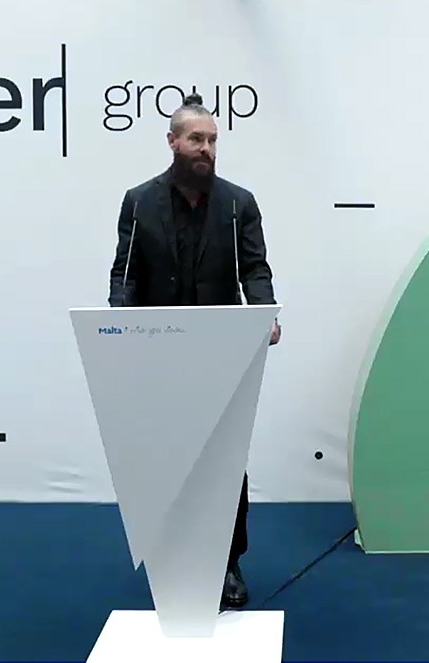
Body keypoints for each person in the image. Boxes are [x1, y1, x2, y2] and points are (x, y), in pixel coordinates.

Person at [107, 93, 280, 609]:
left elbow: (255, 268)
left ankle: (228, 562)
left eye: (212, 140)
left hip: (222, 352)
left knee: (225, 463)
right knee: (165, 457)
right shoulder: (139, 202)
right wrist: (119, 323)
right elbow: (125, 273)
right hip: (158, 352)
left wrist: (265, 313)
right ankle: (173, 557)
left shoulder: (238, 204)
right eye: (196, 139)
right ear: (173, 142)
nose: (206, 149)